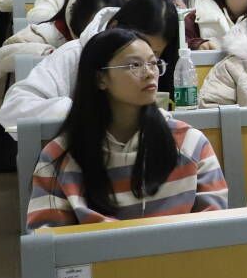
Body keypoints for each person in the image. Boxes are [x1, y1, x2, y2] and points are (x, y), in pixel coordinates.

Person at [26, 29, 227, 228]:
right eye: (135, 65)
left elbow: (216, 230)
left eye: (153, 63)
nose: (150, 73)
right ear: (100, 78)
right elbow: (47, 241)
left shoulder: (190, 144)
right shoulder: (58, 157)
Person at [1, 0, 180, 137]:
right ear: (114, 27)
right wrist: (86, 112)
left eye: (154, 56)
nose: (148, 70)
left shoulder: (159, 69)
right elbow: (15, 109)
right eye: (135, 63)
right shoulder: (73, 55)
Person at [0, 0, 122, 79]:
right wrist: (53, 54)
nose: (99, 30)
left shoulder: (123, 38)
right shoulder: (51, 32)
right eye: (94, 24)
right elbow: (2, 57)